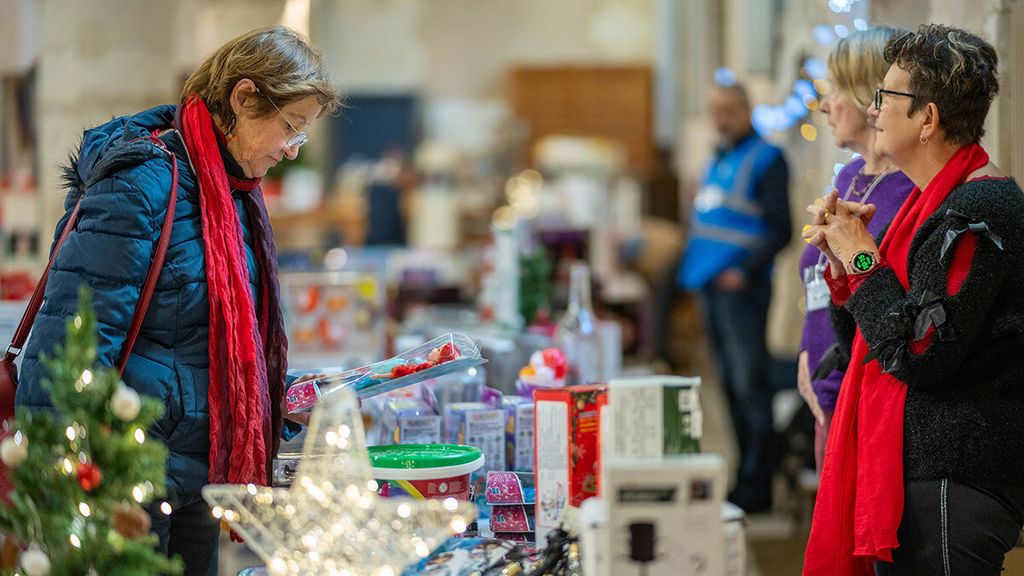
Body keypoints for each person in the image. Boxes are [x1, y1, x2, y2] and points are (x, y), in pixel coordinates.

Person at [15, 26, 340, 575]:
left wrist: (282, 394)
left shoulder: (231, 193)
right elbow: (68, 347)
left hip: (196, 474)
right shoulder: (143, 185)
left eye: (301, 136)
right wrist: (63, 491)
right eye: (289, 127)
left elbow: (205, 339)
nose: (291, 149)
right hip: (127, 480)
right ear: (242, 98)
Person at [802, 24, 1024, 575]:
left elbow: (922, 352)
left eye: (887, 97)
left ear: (926, 119)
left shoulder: (981, 210)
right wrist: (845, 268)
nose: (874, 110)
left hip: (956, 474)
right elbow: (874, 339)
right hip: (920, 469)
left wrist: (863, 261)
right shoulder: (926, 208)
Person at [797, 26, 913, 474]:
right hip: (826, 386)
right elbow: (820, 280)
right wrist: (807, 355)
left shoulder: (907, 189)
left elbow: (881, 284)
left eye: (835, 89)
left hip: (868, 390)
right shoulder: (848, 178)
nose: (825, 105)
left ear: (869, 95)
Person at [677, 81, 791, 513]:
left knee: (750, 385)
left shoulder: (768, 158)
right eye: (715, 110)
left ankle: (757, 485)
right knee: (728, 385)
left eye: (728, 109)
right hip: (709, 286)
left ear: (746, 109)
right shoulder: (719, 156)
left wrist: (742, 271)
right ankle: (745, 475)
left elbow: (780, 228)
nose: (721, 118)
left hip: (740, 290)